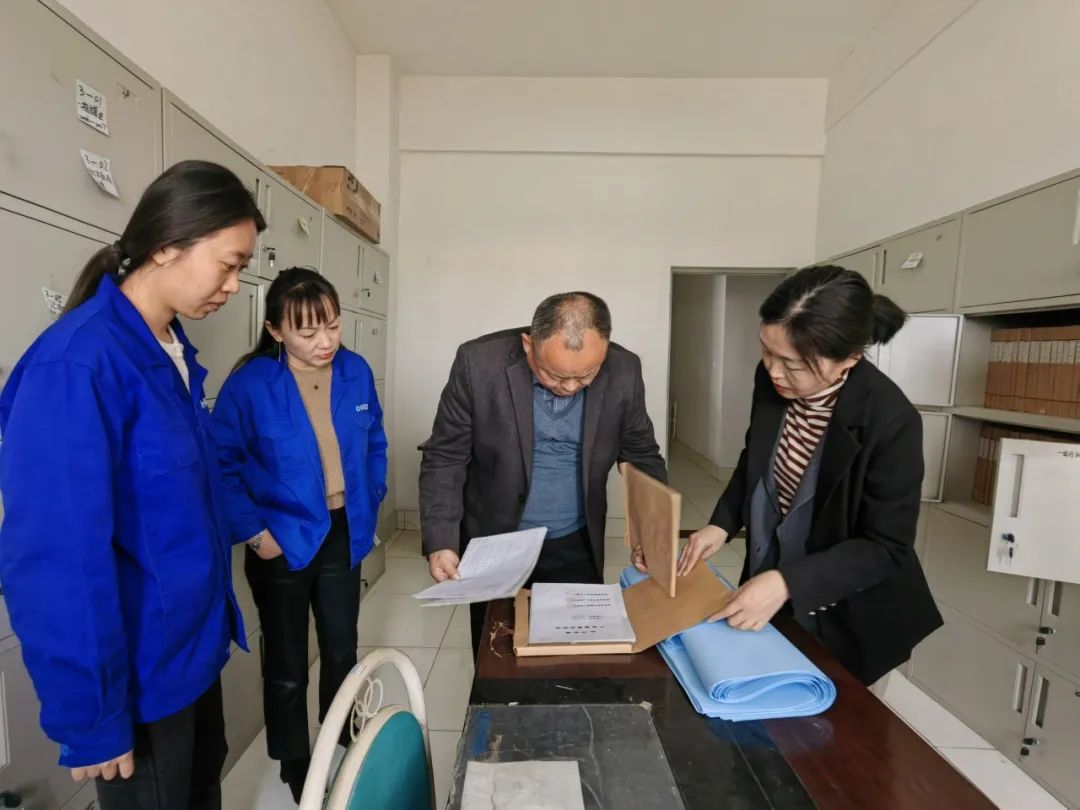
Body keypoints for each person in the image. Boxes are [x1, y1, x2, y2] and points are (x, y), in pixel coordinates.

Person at [0, 161, 264, 809]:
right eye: (228, 265)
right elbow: (56, 559)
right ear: (167, 245)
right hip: (138, 681)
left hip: (190, 657)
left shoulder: (168, 346)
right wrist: (92, 716)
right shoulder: (78, 364)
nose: (234, 286)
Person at [635, 265, 942, 688]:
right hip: (773, 599)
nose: (774, 371)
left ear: (849, 358)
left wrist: (787, 582)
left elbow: (886, 547)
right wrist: (721, 525)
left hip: (849, 616)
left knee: (831, 721)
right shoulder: (772, 381)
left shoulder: (891, 420)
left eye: (794, 365)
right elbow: (756, 460)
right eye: (766, 351)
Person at [210, 267, 387, 802]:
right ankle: (295, 762)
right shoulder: (250, 385)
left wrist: (372, 496)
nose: (324, 342)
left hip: (342, 531)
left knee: (341, 646)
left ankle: (343, 741)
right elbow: (221, 465)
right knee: (287, 661)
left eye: (332, 325)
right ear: (275, 330)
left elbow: (375, 442)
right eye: (307, 332)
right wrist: (255, 533)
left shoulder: (355, 371)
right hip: (279, 539)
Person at [420, 291, 667, 657]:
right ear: (528, 345)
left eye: (585, 376)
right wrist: (441, 540)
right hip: (497, 538)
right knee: (497, 655)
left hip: (575, 540)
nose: (570, 387)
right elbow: (446, 455)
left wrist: (653, 531)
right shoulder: (478, 363)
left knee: (574, 656)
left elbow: (641, 455)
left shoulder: (624, 369)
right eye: (555, 375)